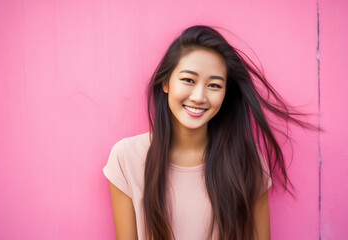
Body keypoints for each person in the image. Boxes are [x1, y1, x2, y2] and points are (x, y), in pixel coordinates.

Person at [103, 25, 318, 240]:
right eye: (188, 80)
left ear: (225, 94)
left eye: (214, 85)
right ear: (166, 82)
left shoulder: (247, 163)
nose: (199, 96)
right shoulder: (126, 158)